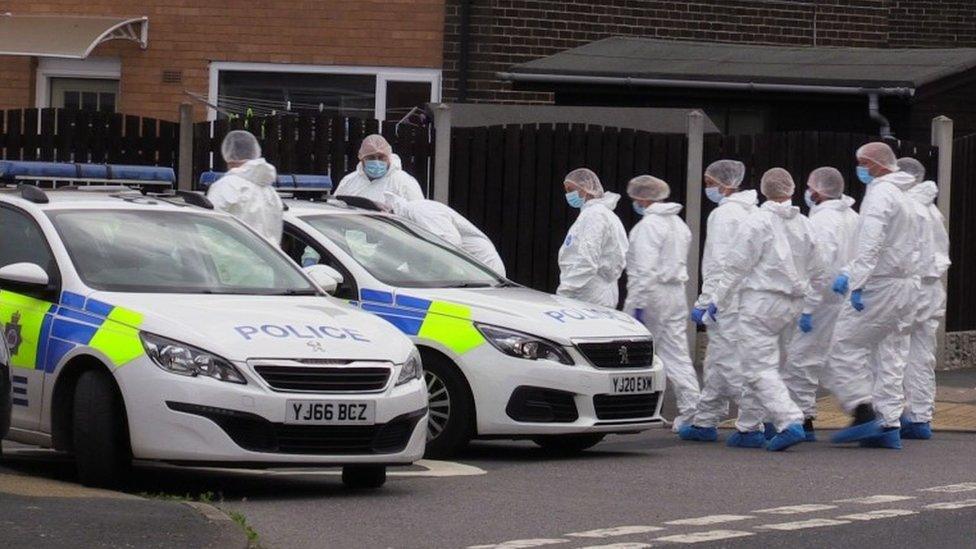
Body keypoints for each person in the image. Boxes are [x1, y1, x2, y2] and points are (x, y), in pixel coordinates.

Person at [697, 168, 828, 451]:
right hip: (792, 305)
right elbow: (819, 271)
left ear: (765, 190)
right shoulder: (804, 223)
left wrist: (715, 302)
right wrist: (810, 306)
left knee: (757, 367)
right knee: (774, 366)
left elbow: (734, 267)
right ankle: (748, 428)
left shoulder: (757, 222)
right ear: (792, 190)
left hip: (760, 303)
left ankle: (789, 420)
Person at [825, 142, 920, 449]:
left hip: (881, 284)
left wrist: (855, 281)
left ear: (875, 165)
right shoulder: (904, 195)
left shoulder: (880, 193)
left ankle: (863, 410)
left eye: (862, 164)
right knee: (889, 353)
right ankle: (889, 423)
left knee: (844, 344)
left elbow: (871, 245)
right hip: (905, 284)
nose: (860, 170)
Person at [678, 159, 758, 444]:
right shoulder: (752, 212)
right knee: (716, 361)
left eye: (710, 183)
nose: (707, 188)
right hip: (743, 297)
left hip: (726, 300)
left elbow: (720, 263)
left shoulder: (724, 216)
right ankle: (705, 420)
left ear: (725, 184)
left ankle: (753, 422)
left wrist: (706, 301)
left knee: (728, 362)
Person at [780, 167, 859, 441]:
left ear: (818, 191)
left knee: (801, 360)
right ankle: (865, 409)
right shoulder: (852, 216)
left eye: (811, 187)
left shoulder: (822, 221)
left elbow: (819, 269)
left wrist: (809, 307)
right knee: (835, 359)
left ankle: (802, 419)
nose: (808, 192)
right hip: (846, 298)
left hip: (823, 300)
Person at [622, 175, 701, 432]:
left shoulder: (647, 227)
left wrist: (637, 306)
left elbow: (643, 271)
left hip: (652, 296)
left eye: (635, 199)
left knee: (633, 355)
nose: (635, 202)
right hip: (676, 294)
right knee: (677, 355)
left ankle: (630, 410)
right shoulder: (679, 224)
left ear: (643, 199)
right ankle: (693, 412)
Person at [896, 157, 951, 440]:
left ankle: (889, 416)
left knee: (894, 353)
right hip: (931, 288)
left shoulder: (908, 209)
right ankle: (919, 416)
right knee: (922, 354)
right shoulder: (931, 210)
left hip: (910, 286)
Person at [383, 192, 506, 276]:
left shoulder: (418, 210)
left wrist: (431, 275)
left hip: (481, 269)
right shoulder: (405, 220)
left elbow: (450, 242)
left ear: (384, 210)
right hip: (465, 271)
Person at [557, 168, 628, 308]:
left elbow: (586, 259)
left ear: (585, 189)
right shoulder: (605, 214)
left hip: (586, 294)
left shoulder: (594, 216)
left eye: (571, 190)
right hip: (598, 293)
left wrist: (566, 291)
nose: (568, 195)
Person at [207, 130, 283, 243]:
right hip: (268, 258)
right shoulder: (270, 192)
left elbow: (208, 229)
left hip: (233, 258)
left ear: (227, 153)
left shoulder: (226, 186)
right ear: (255, 151)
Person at [334, 134, 425, 203]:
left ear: (389, 157)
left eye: (381, 157)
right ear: (361, 158)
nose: (376, 162)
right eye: (371, 157)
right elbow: (334, 209)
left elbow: (417, 213)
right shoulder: (349, 181)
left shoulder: (404, 182)